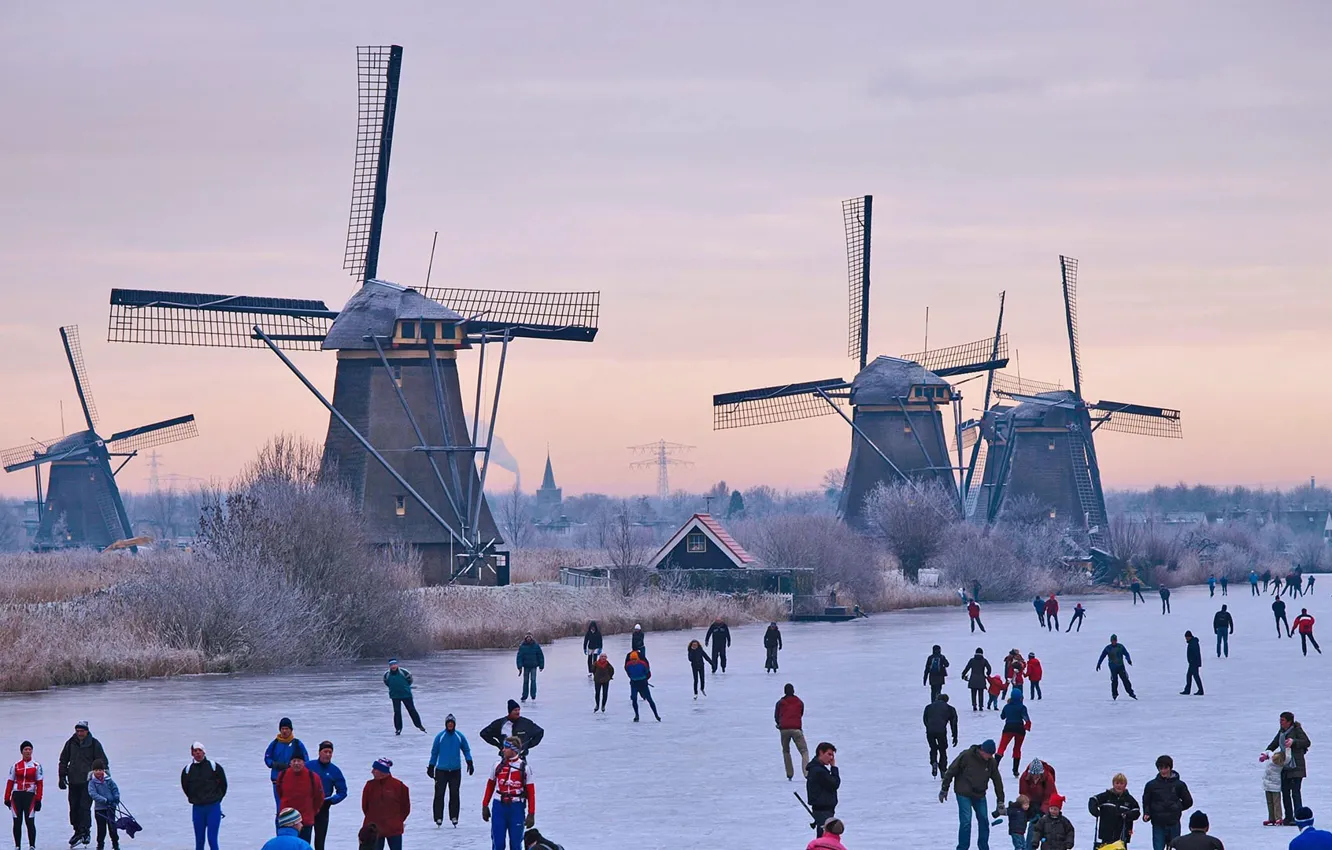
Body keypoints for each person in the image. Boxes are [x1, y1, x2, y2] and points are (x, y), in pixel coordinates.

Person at [940, 739, 1005, 850]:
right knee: (966, 821)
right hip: (963, 793)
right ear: (982, 750)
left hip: (979, 794)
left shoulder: (991, 763)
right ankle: (963, 848)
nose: (990, 757)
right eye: (989, 754)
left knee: (984, 820)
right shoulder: (966, 756)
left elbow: (997, 781)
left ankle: (984, 847)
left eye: (992, 754)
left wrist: (1000, 800)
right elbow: (951, 770)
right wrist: (944, 789)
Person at [58, 721, 107, 847]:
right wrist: (62, 777)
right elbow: (63, 760)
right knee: (74, 807)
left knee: (84, 807)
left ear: (87, 731)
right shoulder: (70, 743)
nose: (79, 733)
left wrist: (102, 778)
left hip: (88, 782)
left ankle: (85, 831)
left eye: (82, 731)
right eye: (77, 731)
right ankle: (77, 831)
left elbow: (102, 762)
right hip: (73, 781)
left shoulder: (94, 744)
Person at [481, 738, 533, 850]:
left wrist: (531, 813)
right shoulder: (497, 766)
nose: (503, 750)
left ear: (513, 750)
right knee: (498, 843)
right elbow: (490, 786)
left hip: (516, 807)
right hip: (499, 806)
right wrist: (485, 805)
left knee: (516, 844)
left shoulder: (524, 768)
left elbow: (531, 793)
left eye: (506, 748)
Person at [1266, 711, 1311, 825]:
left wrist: (1293, 741)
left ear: (1289, 722)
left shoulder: (1297, 730)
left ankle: (1298, 817)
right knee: (1285, 792)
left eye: (1283, 720)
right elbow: (1274, 743)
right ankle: (1289, 817)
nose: (1280, 722)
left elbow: (1306, 742)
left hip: (1297, 767)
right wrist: (1267, 752)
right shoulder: (1282, 731)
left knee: (1295, 792)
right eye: (1280, 720)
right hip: (1285, 766)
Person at [181, 741, 226, 850]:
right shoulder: (188, 770)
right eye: (195, 751)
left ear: (204, 752)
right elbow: (185, 787)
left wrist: (216, 798)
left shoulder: (214, 766)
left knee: (212, 839)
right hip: (198, 809)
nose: (197, 753)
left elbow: (223, 785)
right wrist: (195, 798)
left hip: (213, 807)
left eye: (199, 750)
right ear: (192, 754)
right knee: (199, 841)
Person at [1141, 755, 1193, 850]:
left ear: (1170, 768)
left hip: (1174, 823)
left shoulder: (1179, 785)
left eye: (1166, 768)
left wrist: (1177, 807)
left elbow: (1188, 801)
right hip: (1158, 823)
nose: (1163, 771)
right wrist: (1147, 813)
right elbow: (1146, 801)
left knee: (1174, 848)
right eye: (1161, 768)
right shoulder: (1151, 785)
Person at [428, 717, 472, 827]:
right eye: (449, 723)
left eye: (452, 723)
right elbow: (434, 752)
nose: (450, 725)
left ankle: (454, 816)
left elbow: (466, 749)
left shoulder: (459, 736)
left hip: (455, 771)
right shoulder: (440, 737)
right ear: (446, 724)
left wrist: (469, 761)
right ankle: (438, 817)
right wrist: (431, 766)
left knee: (454, 793)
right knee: (439, 794)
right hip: (441, 771)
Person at [361, 759, 409, 850]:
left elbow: (405, 807)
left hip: (394, 829)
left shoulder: (399, 786)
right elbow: (365, 806)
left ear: (382, 772)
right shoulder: (369, 785)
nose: (372, 772)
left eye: (375, 769)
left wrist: (397, 821)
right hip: (374, 829)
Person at [277, 752, 324, 843]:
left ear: (304, 762)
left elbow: (319, 797)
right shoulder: (282, 775)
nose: (296, 763)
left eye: (299, 761)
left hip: (305, 821)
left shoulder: (313, 777)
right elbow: (280, 793)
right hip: (286, 821)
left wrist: (313, 811)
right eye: (294, 761)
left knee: (303, 846)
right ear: (290, 763)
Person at [309, 741, 347, 850]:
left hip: (323, 806)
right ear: (319, 752)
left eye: (330, 752)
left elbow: (343, 791)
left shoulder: (334, 770)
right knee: (304, 837)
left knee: (320, 839)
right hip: (307, 805)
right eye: (325, 751)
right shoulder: (309, 766)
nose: (328, 754)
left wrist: (333, 800)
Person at [265, 719, 309, 809]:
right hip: (277, 780)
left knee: (293, 808)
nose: (284, 731)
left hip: (293, 780)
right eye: (283, 729)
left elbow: (306, 761)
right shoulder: (274, 743)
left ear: (291, 730)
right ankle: (279, 823)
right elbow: (267, 758)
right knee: (280, 808)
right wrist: (274, 764)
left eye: (287, 729)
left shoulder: (297, 743)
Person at [6, 740, 42, 850]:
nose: (28, 751)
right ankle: (17, 846)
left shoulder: (37, 766)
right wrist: (7, 798)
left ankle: (32, 845)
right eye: (25, 749)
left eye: (30, 749)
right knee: (17, 822)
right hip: (17, 796)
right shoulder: (15, 766)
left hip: (29, 796)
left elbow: (40, 784)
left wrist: (38, 799)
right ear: (21, 751)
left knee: (30, 821)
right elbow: (10, 782)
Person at [1089, 772, 1140, 848]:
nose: (1119, 785)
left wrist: (1127, 815)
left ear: (1125, 785)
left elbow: (1136, 811)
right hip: (1106, 833)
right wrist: (1095, 812)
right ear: (1113, 784)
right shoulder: (1106, 796)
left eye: (1121, 783)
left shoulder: (1129, 799)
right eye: (1117, 783)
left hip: (1122, 835)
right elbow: (1093, 800)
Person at [481, 702, 545, 757]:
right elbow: (484, 733)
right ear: (510, 712)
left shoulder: (526, 723)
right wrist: (498, 745)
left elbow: (540, 732)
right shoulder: (500, 723)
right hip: (505, 756)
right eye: (515, 710)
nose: (518, 712)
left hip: (521, 756)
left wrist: (527, 746)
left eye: (518, 710)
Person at [776, 684, 809, 781]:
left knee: (786, 751)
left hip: (784, 730)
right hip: (796, 729)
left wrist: (779, 723)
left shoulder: (780, 702)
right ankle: (806, 773)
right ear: (793, 691)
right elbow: (800, 713)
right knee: (804, 751)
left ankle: (789, 774)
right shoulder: (799, 702)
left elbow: (776, 715)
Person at [383, 660, 427, 735]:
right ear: (389, 666)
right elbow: (386, 682)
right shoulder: (387, 674)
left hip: (406, 695)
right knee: (397, 712)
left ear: (397, 665)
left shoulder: (404, 672)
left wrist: (405, 688)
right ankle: (398, 729)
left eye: (394, 664)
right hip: (395, 696)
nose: (393, 666)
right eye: (391, 665)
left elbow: (410, 680)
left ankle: (419, 725)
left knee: (411, 710)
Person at [806, 743, 840, 837]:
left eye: (832, 755)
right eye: (829, 754)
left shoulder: (818, 769)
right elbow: (834, 784)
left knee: (824, 837)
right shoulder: (818, 771)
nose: (831, 758)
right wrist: (834, 768)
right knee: (825, 838)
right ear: (821, 752)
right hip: (823, 811)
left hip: (824, 810)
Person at [923, 694, 958, 778]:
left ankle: (934, 762)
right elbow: (954, 723)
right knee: (943, 750)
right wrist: (955, 736)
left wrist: (928, 727)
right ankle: (943, 770)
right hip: (941, 731)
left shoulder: (928, 707)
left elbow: (925, 719)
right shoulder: (950, 708)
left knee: (933, 748)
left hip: (930, 731)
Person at [996, 693, 1031, 778]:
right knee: (1017, 749)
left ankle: (994, 766)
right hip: (1020, 729)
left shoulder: (1007, 706)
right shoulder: (1022, 707)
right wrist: (1027, 725)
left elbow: (1002, 717)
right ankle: (1015, 770)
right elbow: (1026, 718)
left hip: (1008, 728)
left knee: (1001, 747)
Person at [86, 761, 117, 850]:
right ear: (93, 771)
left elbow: (115, 789)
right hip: (100, 809)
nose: (98, 772)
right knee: (101, 829)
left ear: (103, 770)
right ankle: (100, 845)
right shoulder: (92, 782)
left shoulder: (108, 780)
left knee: (112, 827)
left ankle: (115, 844)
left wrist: (116, 797)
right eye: (96, 770)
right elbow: (93, 794)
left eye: (100, 770)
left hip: (111, 807)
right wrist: (104, 800)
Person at [1096, 635, 1138, 700]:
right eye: (1113, 641)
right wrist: (1099, 664)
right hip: (1113, 668)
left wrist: (1128, 659)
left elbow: (1126, 653)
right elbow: (1102, 656)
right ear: (1111, 641)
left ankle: (1131, 693)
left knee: (1125, 680)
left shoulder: (1120, 647)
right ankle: (1114, 694)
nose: (1114, 642)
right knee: (1114, 681)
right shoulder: (1108, 648)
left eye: (1115, 640)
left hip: (1121, 666)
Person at [624, 650, 660, 722]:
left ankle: (656, 715)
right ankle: (636, 715)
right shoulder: (628, 665)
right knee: (634, 699)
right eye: (632, 660)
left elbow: (647, 672)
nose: (634, 661)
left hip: (643, 683)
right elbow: (628, 672)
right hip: (634, 683)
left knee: (649, 699)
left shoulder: (642, 664)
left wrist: (643, 679)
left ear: (637, 659)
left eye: (635, 659)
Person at [1259, 748, 1286, 826]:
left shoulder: (1281, 764)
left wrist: (1288, 749)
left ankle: (1278, 818)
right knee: (1270, 802)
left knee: (1276, 803)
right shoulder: (1272, 757)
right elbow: (1268, 751)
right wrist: (1264, 755)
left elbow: (1288, 757)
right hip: (1267, 785)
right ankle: (1272, 818)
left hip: (1275, 787)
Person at [515, 634, 545, 702]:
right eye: (527, 637)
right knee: (525, 681)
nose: (528, 638)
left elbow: (540, 656)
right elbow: (519, 657)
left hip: (533, 666)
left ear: (531, 638)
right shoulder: (522, 647)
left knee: (533, 680)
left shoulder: (536, 646)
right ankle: (524, 696)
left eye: (529, 637)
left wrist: (541, 666)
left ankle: (533, 696)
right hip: (526, 666)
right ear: (525, 638)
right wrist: (519, 666)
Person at [962, 648, 992, 712]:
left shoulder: (972, 660)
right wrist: (988, 673)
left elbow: (967, 668)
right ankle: (980, 706)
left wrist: (963, 675)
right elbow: (989, 668)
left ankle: (974, 705)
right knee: (981, 693)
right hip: (981, 678)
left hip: (973, 678)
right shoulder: (984, 660)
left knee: (973, 692)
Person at [1180, 631, 1203, 696]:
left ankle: (1200, 690)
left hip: (1194, 663)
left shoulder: (1193, 643)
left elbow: (1195, 653)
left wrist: (1193, 662)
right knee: (1189, 676)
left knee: (1196, 676)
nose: (1186, 639)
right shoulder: (1192, 642)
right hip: (1192, 663)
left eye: (1187, 638)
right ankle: (1187, 690)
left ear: (1189, 637)